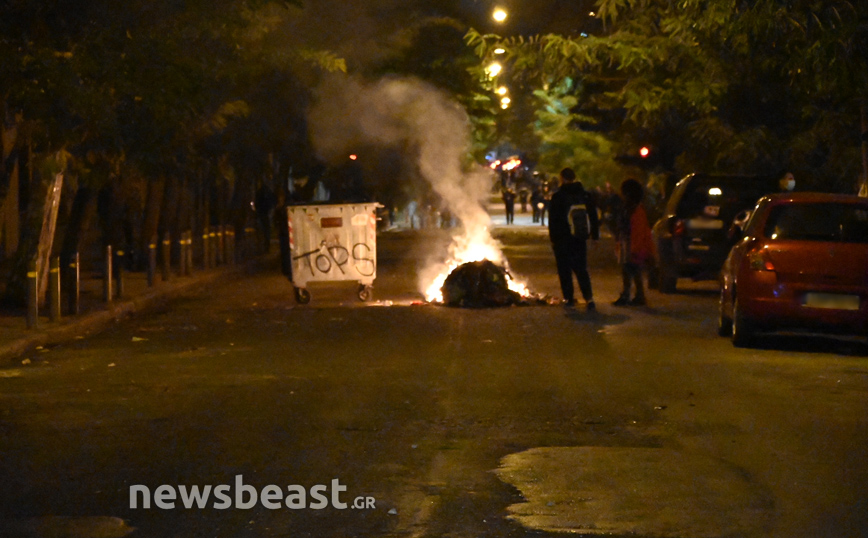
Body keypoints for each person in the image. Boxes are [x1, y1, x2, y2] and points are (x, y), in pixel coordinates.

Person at [548, 167, 600, 309]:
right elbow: (593, 217)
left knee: (564, 270)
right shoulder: (585, 195)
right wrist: (595, 236)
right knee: (581, 268)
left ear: (562, 178)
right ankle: (589, 298)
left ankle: (569, 298)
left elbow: (553, 220)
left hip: (562, 239)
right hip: (579, 238)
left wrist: (553, 238)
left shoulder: (558, 196)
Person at [613, 178, 654, 306]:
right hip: (628, 242)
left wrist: (635, 248)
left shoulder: (635, 210)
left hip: (632, 244)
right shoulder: (631, 208)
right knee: (632, 270)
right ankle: (637, 295)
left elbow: (638, 230)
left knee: (630, 270)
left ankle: (629, 295)